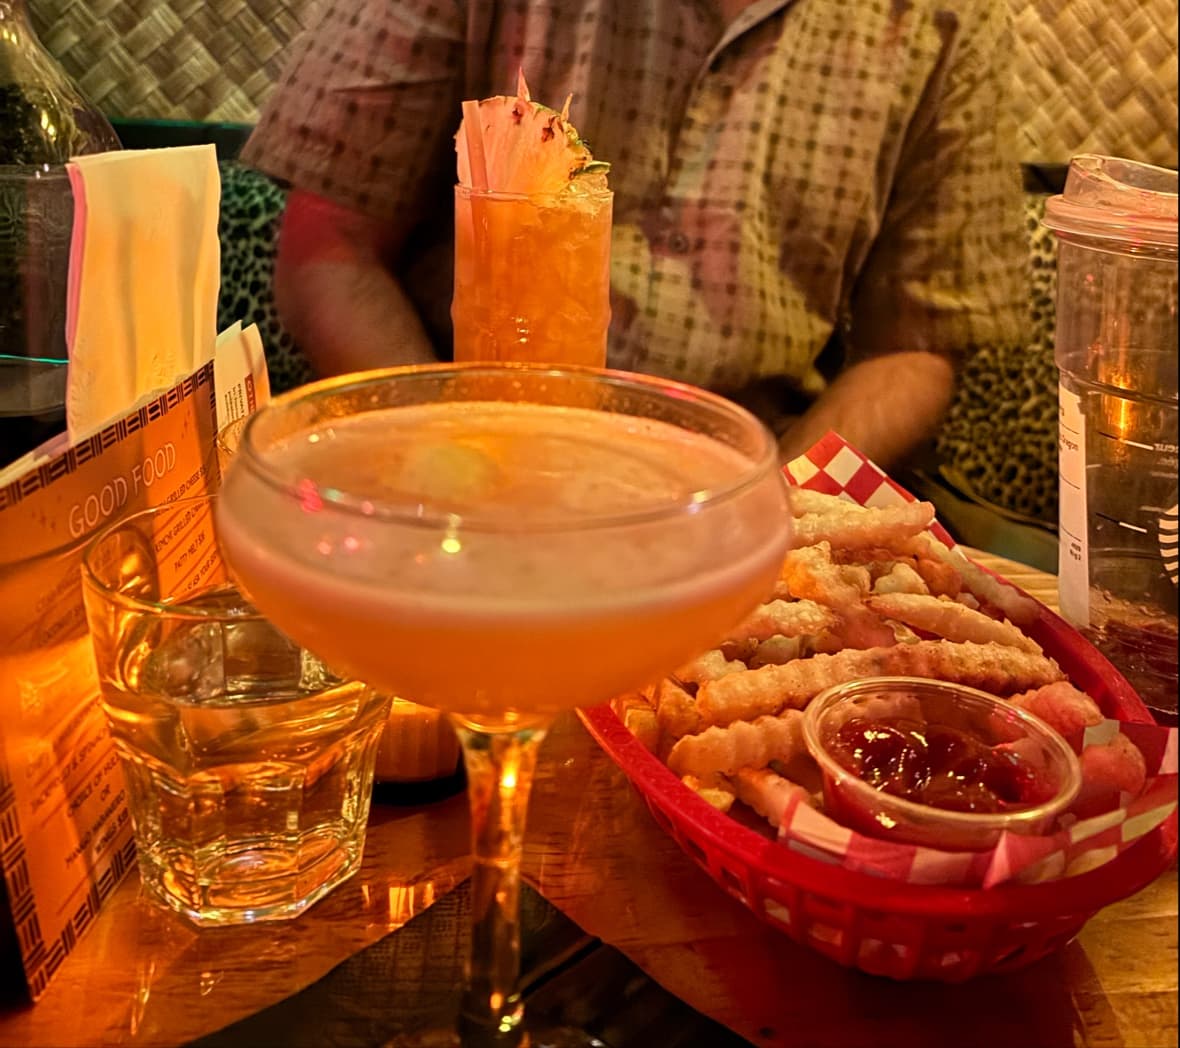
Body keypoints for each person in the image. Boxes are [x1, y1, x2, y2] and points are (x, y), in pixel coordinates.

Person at [241, 0, 1027, 470]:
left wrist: (775, 513)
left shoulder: (945, 17)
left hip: (745, 473)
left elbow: (915, 342)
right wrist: (455, 460)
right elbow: (330, 243)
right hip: (463, 438)